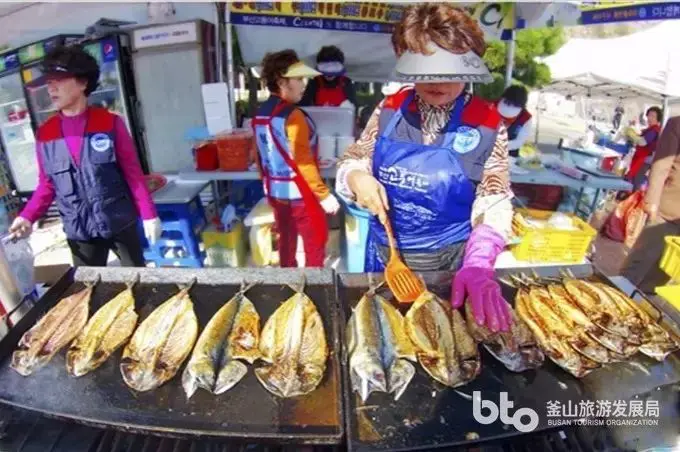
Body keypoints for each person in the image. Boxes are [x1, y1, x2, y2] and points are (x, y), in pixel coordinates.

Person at [336, 3, 513, 333]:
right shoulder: (389, 109)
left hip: (446, 266)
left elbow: (494, 196)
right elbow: (356, 156)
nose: (438, 81)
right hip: (384, 258)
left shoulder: (487, 123)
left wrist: (480, 261)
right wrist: (356, 176)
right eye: (427, 67)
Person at [8, 45, 160, 267]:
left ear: (83, 82)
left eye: (58, 80)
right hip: (79, 230)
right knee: (87, 291)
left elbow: (133, 174)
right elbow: (47, 185)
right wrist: (27, 216)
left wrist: (149, 214)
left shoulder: (110, 123)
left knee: (139, 282)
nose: (51, 88)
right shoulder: (45, 134)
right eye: (48, 82)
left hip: (119, 222)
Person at [253, 50, 340, 268]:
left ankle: (288, 287)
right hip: (300, 193)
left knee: (286, 241)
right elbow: (302, 160)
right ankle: (316, 289)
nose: (304, 84)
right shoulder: (293, 116)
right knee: (315, 242)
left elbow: (258, 156)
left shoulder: (260, 113)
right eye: (299, 79)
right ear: (282, 82)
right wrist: (324, 194)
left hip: (275, 192)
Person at [621, 115, 680, 293]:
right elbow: (662, 164)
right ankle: (618, 294)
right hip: (667, 208)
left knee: (665, 268)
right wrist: (652, 201)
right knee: (641, 260)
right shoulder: (677, 123)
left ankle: (643, 302)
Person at [625, 106, 663, 189]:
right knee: (634, 178)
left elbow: (643, 142)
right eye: (649, 115)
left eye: (653, 116)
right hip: (641, 157)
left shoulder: (654, 130)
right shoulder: (649, 129)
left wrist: (632, 134)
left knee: (636, 180)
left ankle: (632, 199)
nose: (649, 118)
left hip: (645, 159)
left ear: (658, 118)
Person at [496, 85, 532, 157]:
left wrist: (498, 146)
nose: (510, 106)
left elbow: (519, 142)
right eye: (507, 103)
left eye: (514, 105)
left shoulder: (526, 118)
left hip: (508, 156)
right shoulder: (492, 105)